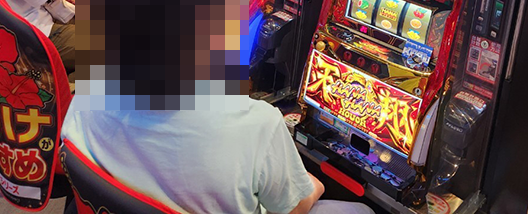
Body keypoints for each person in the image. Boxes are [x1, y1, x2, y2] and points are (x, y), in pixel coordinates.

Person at [62, 100, 375, 214]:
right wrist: (312, 187)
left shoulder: (85, 96)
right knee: (360, 210)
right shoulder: (256, 123)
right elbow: (293, 209)